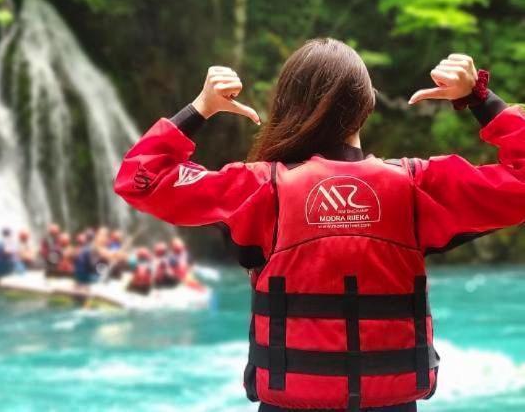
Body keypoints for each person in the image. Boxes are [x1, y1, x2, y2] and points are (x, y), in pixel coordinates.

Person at [114, 40, 525, 412]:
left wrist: (199, 109)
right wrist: (480, 99)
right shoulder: (417, 187)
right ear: (367, 106)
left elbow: (139, 180)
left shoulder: (257, 188)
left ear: (287, 106)